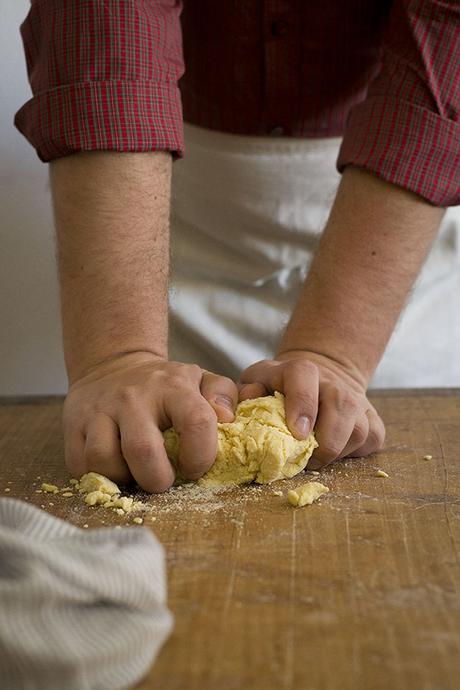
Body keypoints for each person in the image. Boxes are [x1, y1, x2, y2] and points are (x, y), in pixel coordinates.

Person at [15, 1, 459, 492]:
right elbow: (105, 18)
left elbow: (446, 37)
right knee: (147, 440)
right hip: (150, 226)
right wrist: (120, 355)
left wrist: (337, 357)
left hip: (384, 243)